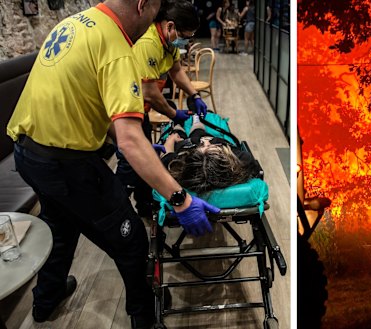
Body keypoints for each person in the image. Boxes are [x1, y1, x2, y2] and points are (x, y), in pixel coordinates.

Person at [5, 1, 219, 328]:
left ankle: (45, 300)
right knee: (130, 239)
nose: (153, 22)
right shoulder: (118, 47)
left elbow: (88, 103)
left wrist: (135, 142)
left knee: (60, 226)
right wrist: (181, 199)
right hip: (68, 164)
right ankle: (144, 317)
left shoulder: (73, 24)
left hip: (28, 153)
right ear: (142, 4)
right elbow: (130, 140)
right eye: (154, 13)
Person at [116, 0, 207, 219]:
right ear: (170, 26)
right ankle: (118, 209)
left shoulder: (168, 44)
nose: (185, 40)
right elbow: (149, 92)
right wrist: (173, 114)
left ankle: (145, 204)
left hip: (141, 109)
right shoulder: (149, 42)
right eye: (184, 35)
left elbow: (176, 71)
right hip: (129, 109)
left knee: (146, 155)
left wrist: (194, 95)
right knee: (132, 162)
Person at [158, 116, 260, 194]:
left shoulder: (178, 165)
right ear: (224, 158)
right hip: (214, 150)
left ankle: (179, 123)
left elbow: (167, 153)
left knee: (181, 134)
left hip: (184, 147)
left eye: (203, 146)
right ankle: (196, 120)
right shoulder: (242, 159)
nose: (207, 142)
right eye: (212, 147)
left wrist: (171, 139)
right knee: (200, 134)